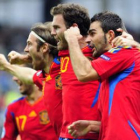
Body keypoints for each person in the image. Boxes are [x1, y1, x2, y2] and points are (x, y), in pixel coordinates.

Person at [64, 11, 140, 140]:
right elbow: (124, 117)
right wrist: (93, 126)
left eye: (93, 33)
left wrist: (72, 41)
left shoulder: (124, 52)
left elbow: (83, 73)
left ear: (110, 35)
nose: (88, 40)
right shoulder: (112, 69)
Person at [1, 22, 63, 137]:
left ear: (44, 47)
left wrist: (7, 65)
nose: (15, 78)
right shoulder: (46, 79)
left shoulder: (66, 73)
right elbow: (31, 75)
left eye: (29, 44)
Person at [51, 3, 100, 140]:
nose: (53, 32)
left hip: (90, 135)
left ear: (73, 29)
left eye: (56, 28)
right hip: (66, 135)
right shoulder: (63, 54)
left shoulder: (97, 54)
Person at [1, 64, 58, 140]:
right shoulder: (13, 108)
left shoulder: (54, 100)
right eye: (14, 75)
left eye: (18, 74)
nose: (14, 78)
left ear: (31, 75)